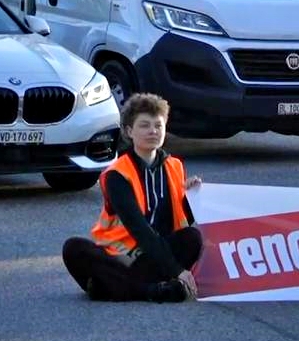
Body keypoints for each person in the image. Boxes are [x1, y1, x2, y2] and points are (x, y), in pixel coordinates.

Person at [61, 93, 204, 303]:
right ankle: (153, 291)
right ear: (129, 131)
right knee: (73, 249)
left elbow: (183, 220)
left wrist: (193, 197)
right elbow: (139, 228)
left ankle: (113, 288)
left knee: (192, 237)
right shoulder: (117, 174)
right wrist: (177, 270)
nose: (153, 131)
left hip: (154, 257)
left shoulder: (175, 167)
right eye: (145, 125)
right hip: (121, 257)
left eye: (159, 125)